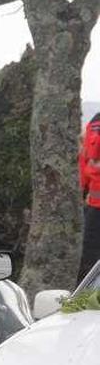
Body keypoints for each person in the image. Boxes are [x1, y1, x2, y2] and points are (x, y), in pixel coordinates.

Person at [78, 112, 100, 282]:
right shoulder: (94, 125)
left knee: (90, 253)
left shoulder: (94, 125)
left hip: (94, 204)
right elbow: (85, 159)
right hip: (94, 204)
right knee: (90, 253)